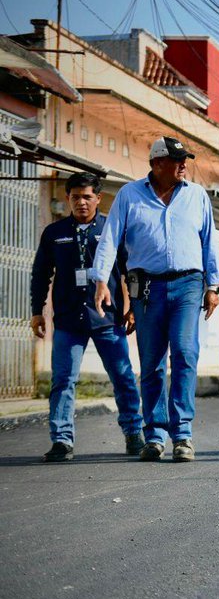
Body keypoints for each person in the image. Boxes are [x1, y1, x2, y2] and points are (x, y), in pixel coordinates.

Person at [91, 136, 219, 463]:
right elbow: (110, 239)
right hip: (146, 289)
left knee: (184, 351)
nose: (184, 166)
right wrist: (101, 281)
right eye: (177, 160)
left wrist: (214, 286)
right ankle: (154, 434)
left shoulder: (196, 196)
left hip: (188, 284)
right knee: (151, 362)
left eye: (185, 160)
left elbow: (210, 242)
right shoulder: (129, 195)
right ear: (157, 164)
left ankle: (182, 433)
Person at [31, 172, 143, 462]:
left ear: (98, 199)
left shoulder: (112, 230)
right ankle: (61, 440)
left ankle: (134, 434)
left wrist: (132, 307)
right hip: (68, 320)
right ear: (68, 198)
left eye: (87, 197)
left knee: (122, 376)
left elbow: (131, 271)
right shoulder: (54, 234)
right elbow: (41, 274)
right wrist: (36, 311)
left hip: (108, 319)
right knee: (63, 380)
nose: (81, 202)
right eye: (75, 197)